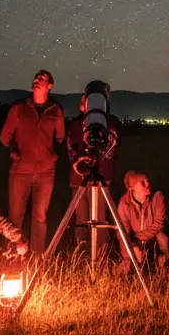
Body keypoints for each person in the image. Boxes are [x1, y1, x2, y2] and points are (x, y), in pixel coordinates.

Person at [0, 69, 65, 254]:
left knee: (40, 217)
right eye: (36, 78)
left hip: (46, 172)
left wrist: (51, 156)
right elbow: (5, 137)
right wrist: (15, 153)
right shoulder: (19, 108)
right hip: (20, 171)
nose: (37, 80)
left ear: (49, 86)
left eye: (41, 79)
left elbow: (60, 138)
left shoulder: (56, 111)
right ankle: (12, 254)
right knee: (15, 217)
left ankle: (37, 258)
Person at [66, 80, 122, 253]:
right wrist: (80, 162)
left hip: (102, 177)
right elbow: (71, 149)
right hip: (78, 180)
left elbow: (111, 150)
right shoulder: (76, 124)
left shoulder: (111, 123)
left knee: (100, 220)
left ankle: (100, 255)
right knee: (81, 221)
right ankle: (82, 254)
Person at [116, 170, 169, 269]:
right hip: (134, 242)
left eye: (147, 181)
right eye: (142, 183)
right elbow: (123, 231)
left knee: (163, 238)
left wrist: (137, 237)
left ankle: (166, 269)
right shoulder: (124, 203)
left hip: (153, 240)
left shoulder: (157, 197)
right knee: (127, 261)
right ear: (132, 188)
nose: (147, 184)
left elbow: (159, 224)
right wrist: (132, 247)